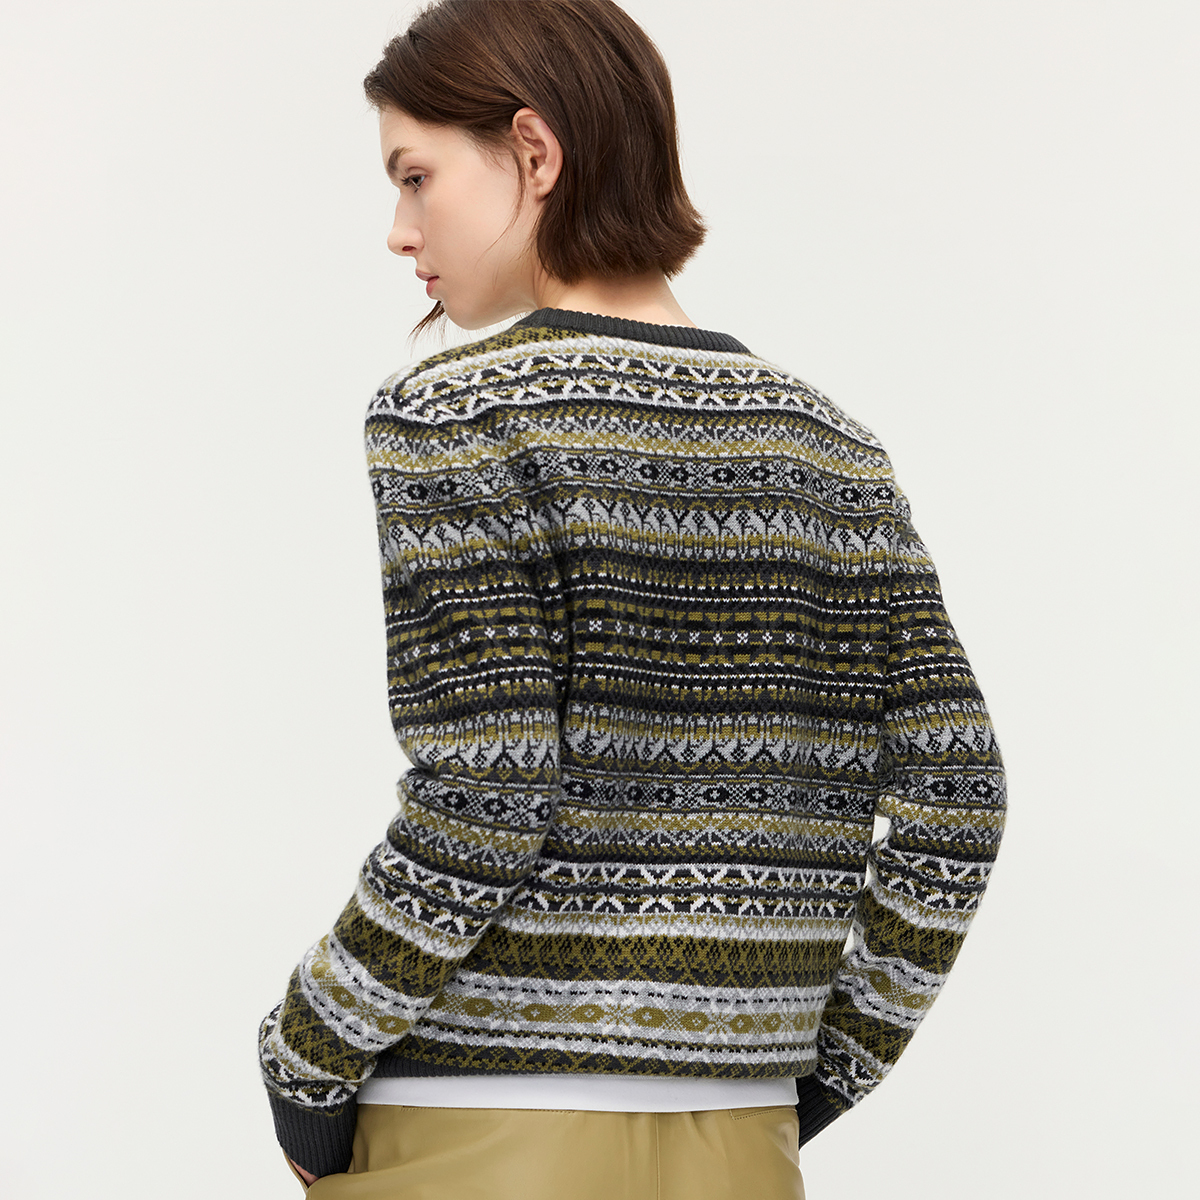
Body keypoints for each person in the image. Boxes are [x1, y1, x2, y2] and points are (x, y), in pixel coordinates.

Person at [257, 2, 1007, 1196]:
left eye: (415, 176)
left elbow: (488, 794)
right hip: (742, 1142)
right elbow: (959, 799)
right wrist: (820, 1071)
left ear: (534, 151)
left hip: (481, 1133)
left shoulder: (456, 412)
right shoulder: (837, 452)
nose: (400, 230)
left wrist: (304, 1053)